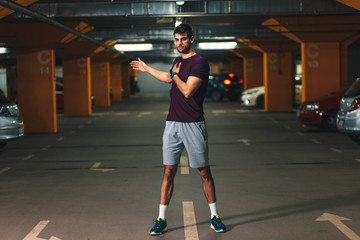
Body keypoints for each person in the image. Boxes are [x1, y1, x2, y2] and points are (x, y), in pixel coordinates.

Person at [130, 23, 226, 236]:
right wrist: (147, 69)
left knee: (203, 172)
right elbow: (168, 77)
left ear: (191, 39)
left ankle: (215, 216)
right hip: (172, 123)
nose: (179, 43)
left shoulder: (200, 62)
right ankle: (161, 219)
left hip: (194, 123)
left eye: (183, 39)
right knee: (168, 171)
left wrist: (174, 75)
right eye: (176, 39)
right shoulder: (176, 62)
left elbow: (187, 90)